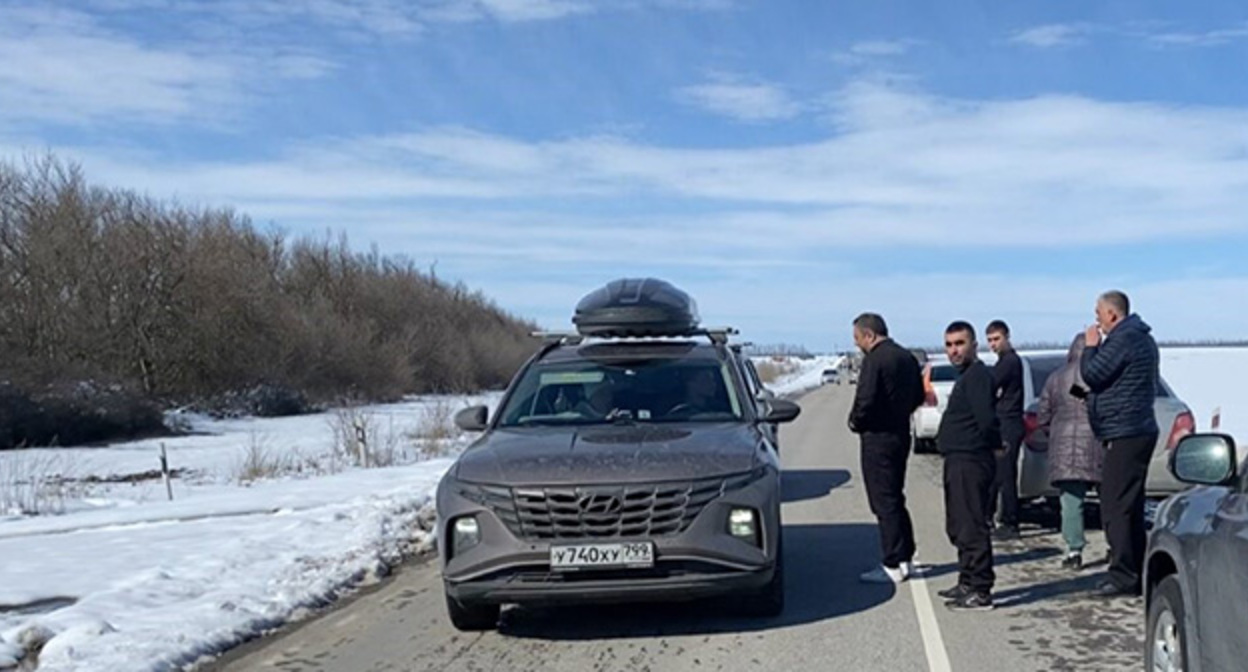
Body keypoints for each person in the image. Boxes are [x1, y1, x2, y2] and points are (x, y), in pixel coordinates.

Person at [1081, 290, 1159, 598]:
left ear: (1112, 314)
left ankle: (1125, 574)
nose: (1096, 319)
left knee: (1116, 506)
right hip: (1130, 428)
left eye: (1098, 312)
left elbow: (1093, 374)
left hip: (1127, 431)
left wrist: (1090, 348)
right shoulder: (1138, 338)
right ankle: (1134, 571)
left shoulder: (1124, 339)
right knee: (1129, 505)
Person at [847, 313, 926, 584]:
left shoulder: (875, 360)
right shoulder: (907, 358)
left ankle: (892, 562)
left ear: (869, 335)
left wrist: (855, 422)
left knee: (883, 500)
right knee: (895, 496)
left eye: (857, 338)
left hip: (877, 437)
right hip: (901, 434)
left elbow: (865, 399)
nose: (857, 344)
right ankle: (906, 555)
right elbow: (918, 395)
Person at [935, 321, 1000, 611]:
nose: (954, 350)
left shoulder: (978, 376)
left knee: (972, 524)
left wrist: (993, 445)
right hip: (957, 458)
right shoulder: (967, 376)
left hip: (971, 460)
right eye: (949, 345)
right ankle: (967, 580)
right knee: (959, 524)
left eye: (960, 344)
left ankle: (980, 589)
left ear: (974, 345)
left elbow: (986, 420)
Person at [1035, 333, 1103, 570]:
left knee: (1072, 503)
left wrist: (1054, 433)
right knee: (1111, 502)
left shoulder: (1056, 378)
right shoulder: (1102, 376)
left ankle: (1074, 550)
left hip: (1065, 448)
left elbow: (1042, 415)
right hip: (1099, 445)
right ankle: (1117, 548)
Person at [986, 320, 1024, 541]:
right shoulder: (1003, 361)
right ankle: (989, 515)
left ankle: (1010, 521)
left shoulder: (1009, 361)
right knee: (995, 473)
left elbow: (990, 384)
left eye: (996, 339)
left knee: (1005, 474)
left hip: (1009, 423)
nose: (993, 344)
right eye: (989, 340)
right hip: (1002, 422)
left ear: (1007, 337)